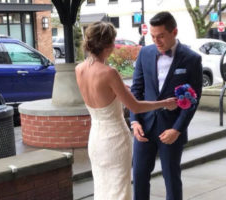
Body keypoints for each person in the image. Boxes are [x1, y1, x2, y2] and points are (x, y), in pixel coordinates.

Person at [75, 21, 177, 200]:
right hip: (114, 140)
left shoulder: (79, 69)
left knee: (103, 189)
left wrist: (123, 88)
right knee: (119, 190)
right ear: (108, 45)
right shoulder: (109, 72)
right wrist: (164, 102)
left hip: (96, 139)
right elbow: (135, 106)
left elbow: (105, 93)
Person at [130, 11, 203, 200]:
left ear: (174, 32)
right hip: (144, 127)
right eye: (152, 36)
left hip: (171, 129)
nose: (156, 41)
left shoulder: (191, 59)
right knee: (138, 176)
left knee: (171, 179)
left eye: (161, 36)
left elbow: (193, 100)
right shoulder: (145, 53)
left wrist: (177, 130)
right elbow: (136, 90)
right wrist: (134, 121)